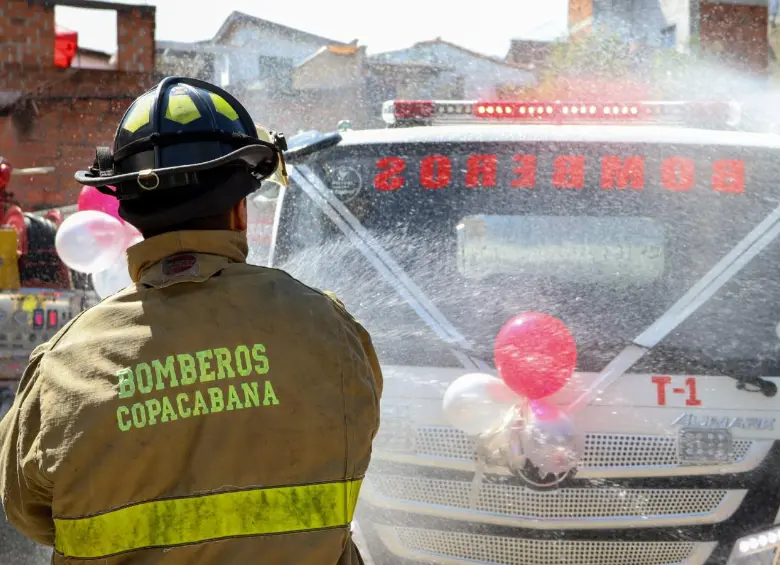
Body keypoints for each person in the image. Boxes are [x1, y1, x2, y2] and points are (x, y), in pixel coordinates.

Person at [0, 76, 382, 565]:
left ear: (130, 213)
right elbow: (358, 443)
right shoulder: (328, 327)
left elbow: (27, 511)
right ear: (240, 211)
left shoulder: (64, 365)